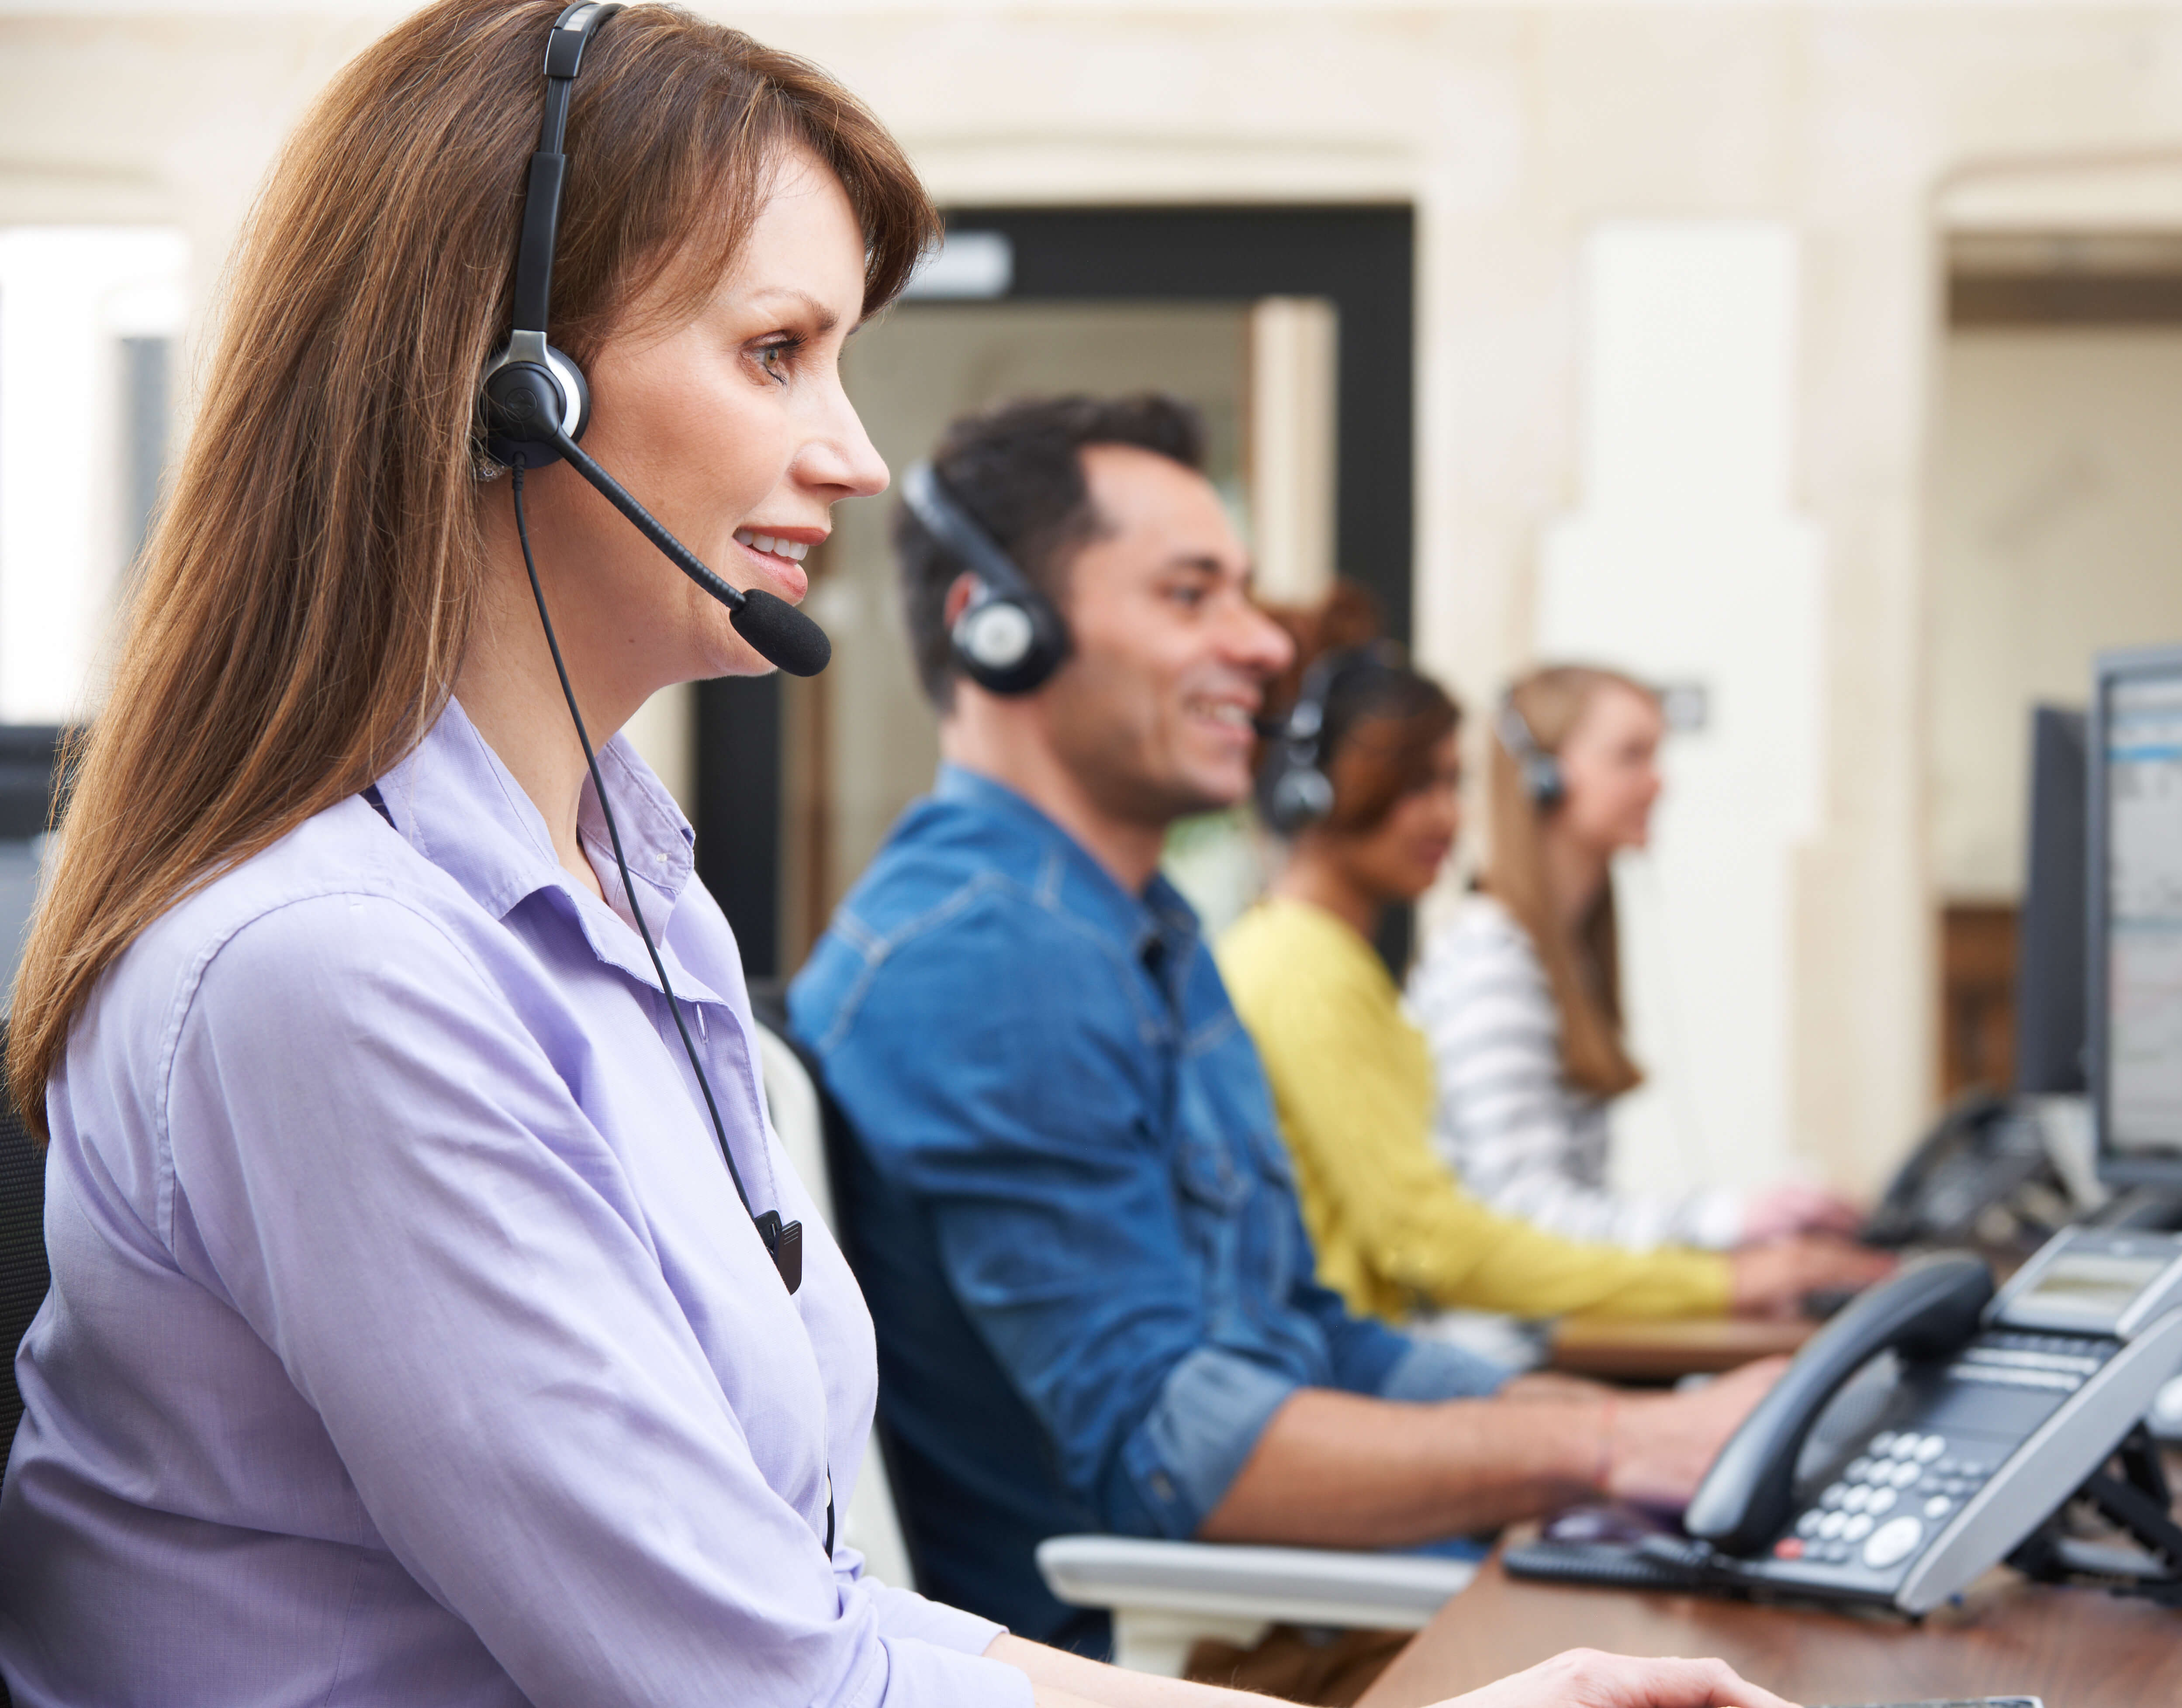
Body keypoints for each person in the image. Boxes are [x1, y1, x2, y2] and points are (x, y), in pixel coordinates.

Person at [0, 7, 1794, 1708]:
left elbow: (806, 1613)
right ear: (513, 387)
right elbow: (757, 1680)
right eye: (777, 352)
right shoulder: (331, 970)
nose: (852, 455)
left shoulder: (642, 895)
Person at [788, 393, 1798, 1672]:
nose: (1262, 645)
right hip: (1178, 1648)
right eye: (1191, 594)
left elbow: (1313, 1336)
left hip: (1277, 1600)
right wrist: (1605, 1448)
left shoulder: (1138, 930)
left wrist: (1639, 1422)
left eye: (1246, 594)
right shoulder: (989, 958)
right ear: (997, 632)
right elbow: (1167, 1451)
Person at [1218, 651, 1892, 1351]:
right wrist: (1721, 1266)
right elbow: (1436, 1241)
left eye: (1456, 783)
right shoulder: (1320, 969)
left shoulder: (1329, 961)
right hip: (1378, 1356)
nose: (1450, 817)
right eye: (1422, 783)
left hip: (1379, 1349)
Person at [1405, 666, 1865, 1253]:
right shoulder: (1491, 962)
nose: (1659, 784)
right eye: (1632, 756)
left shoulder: (1563, 953)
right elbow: (1520, 1216)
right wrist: (1723, 1223)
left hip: (1565, 1330)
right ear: (1543, 779)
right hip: (1506, 1343)